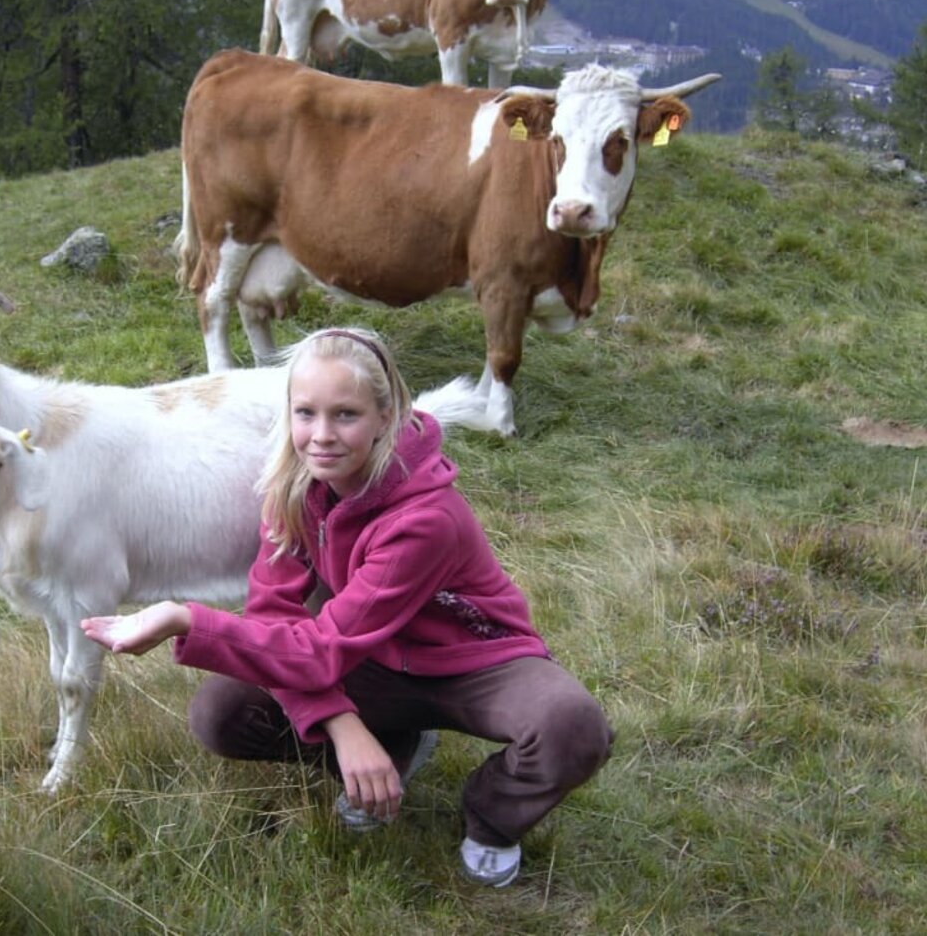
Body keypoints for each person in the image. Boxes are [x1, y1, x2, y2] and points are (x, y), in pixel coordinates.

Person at [82, 327, 612, 887]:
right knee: (222, 714)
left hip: (472, 661)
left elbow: (314, 650)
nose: (321, 436)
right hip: (369, 658)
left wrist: (185, 618)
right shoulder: (292, 489)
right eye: (305, 413)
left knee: (571, 727)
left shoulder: (424, 519)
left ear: (386, 416)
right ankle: (392, 746)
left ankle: (491, 817)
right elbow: (273, 620)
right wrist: (342, 725)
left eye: (346, 415)